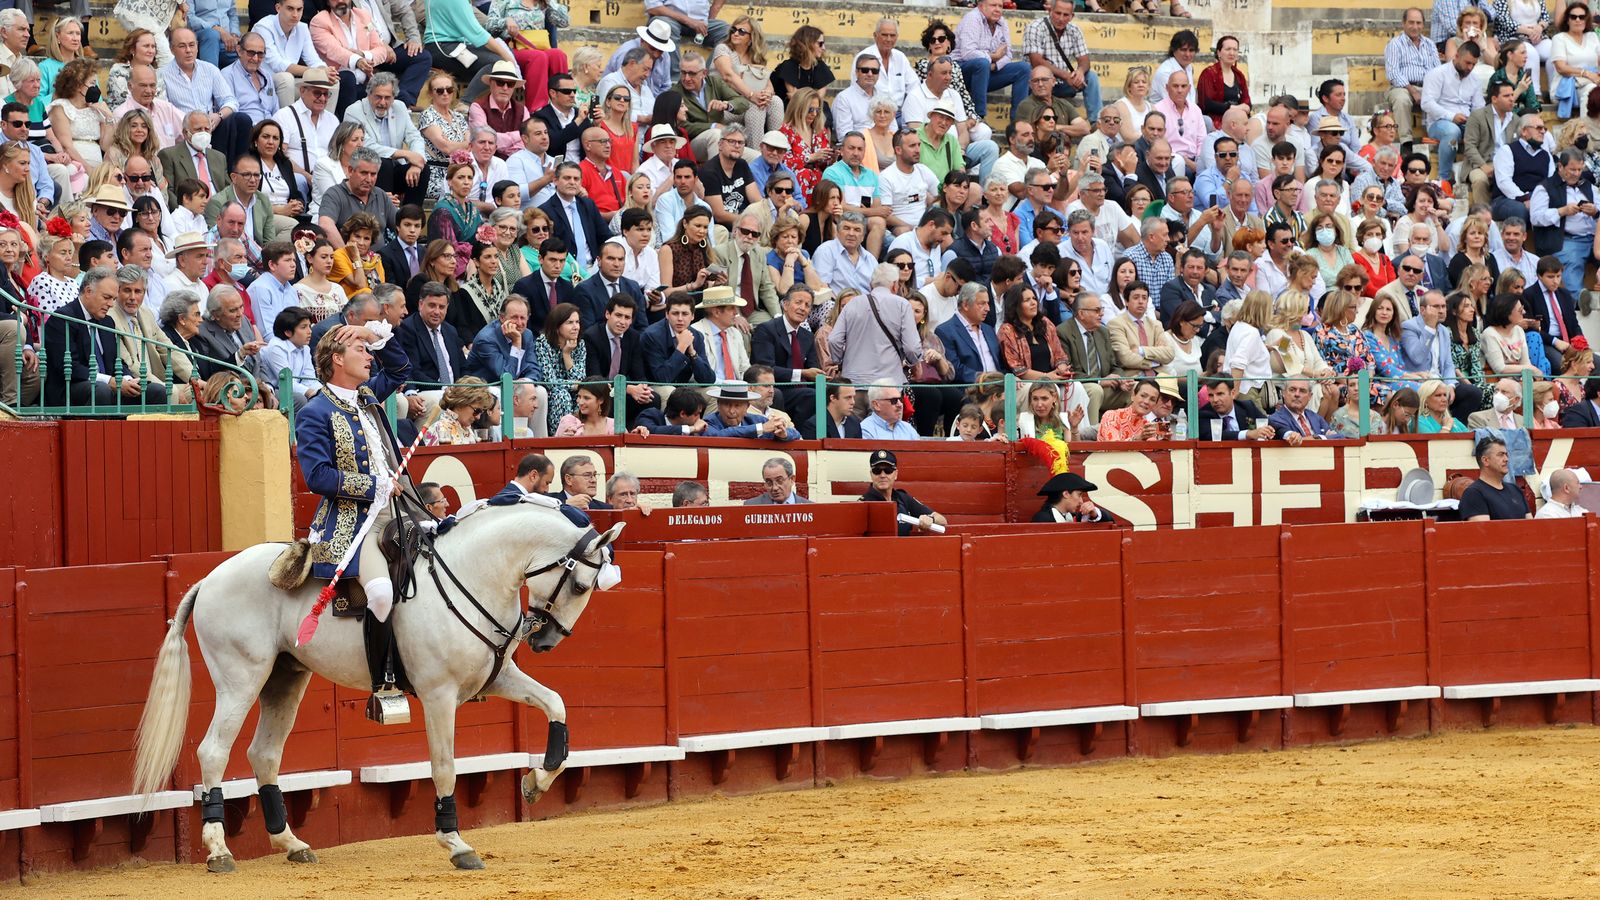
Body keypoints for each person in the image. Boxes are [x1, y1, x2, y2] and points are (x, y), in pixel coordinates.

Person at [295, 314, 409, 627]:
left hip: (399, 510)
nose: (369, 356)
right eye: (360, 350)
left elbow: (401, 367)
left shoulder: (366, 394)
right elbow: (318, 476)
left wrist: (370, 333)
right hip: (355, 521)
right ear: (338, 359)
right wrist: (378, 486)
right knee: (382, 594)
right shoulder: (315, 412)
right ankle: (381, 673)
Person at [861, 448, 945, 535]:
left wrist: (930, 519)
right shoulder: (863, 504)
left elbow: (942, 520)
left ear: (896, 474)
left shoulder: (902, 498)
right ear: (871, 474)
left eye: (888, 471)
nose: (882, 475)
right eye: (877, 471)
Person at [1459, 434, 1532, 520]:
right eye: (1500, 455)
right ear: (1485, 460)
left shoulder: (1515, 490)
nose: (1506, 459)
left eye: (1506, 454)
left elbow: (1531, 527)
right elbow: (1483, 531)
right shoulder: (1474, 493)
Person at [702, 379, 799, 440]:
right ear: (719, 405)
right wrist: (759, 429)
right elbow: (717, 436)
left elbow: (795, 433)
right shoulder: (708, 422)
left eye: (737, 406)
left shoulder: (757, 420)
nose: (731, 411)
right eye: (727, 405)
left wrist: (783, 434)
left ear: (747, 407)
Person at [1198, 376, 1273, 441]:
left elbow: (1270, 425)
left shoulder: (1247, 407)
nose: (1215, 400)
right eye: (1211, 395)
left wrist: (1283, 434)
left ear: (1233, 394)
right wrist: (1247, 434)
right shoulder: (1204, 413)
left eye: (1220, 394)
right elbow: (1210, 435)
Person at [1032, 471, 1115, 524]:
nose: (1081, 501)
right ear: (1066, 494)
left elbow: (1110, 522)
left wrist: (1094, 513)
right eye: (1079, 495)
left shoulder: (1073, 515)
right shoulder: (1042, 519)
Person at [1097, 377, 1162, 442]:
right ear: (1133, 395)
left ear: (1155, 405)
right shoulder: (1112, 416)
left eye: (1152, 400)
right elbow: (1114, 447)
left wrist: (1165, 441)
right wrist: (1137, 439)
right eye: (1143, 396)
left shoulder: (1147, 426)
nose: (1146, 402)